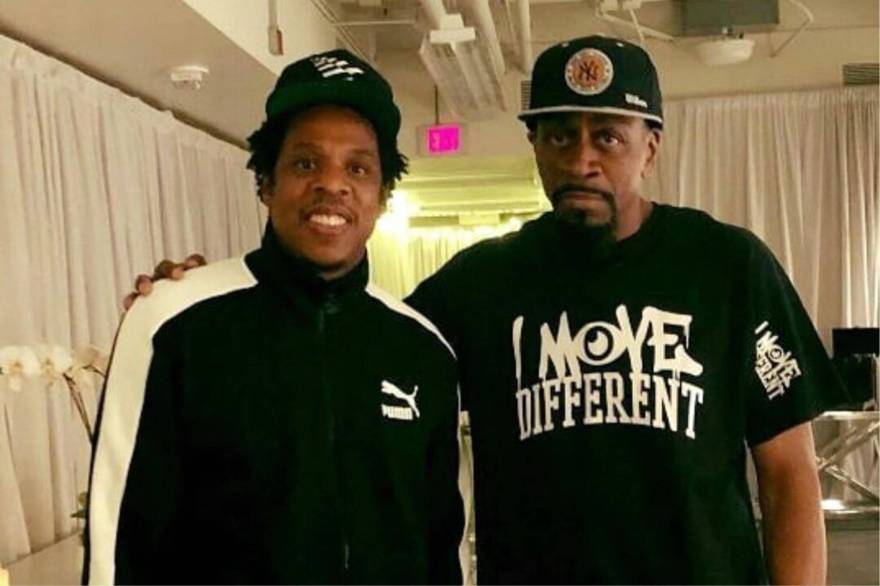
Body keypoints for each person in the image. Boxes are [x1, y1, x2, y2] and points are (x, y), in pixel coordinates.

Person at [132, 36, 848, 584]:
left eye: (608, 135)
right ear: (534, 145)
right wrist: (210, 291)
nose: (582, 159)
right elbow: (353, 332)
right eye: (559, 135)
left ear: (650, 146)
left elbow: (789, 473)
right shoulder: (479, 285)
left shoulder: (728, 266)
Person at [85, 49, 464, 585]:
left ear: (381, 197)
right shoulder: (174, 324)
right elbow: (118, 540)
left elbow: (442, 544)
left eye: (357, 168)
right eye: (306, 163)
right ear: (266, 182)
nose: (332, 184)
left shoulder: (422, 350)